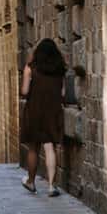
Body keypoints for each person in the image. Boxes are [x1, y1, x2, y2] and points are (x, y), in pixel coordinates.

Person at [20, 38, 66, 197]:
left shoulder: (30, 68)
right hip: (52, 110)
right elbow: (63, 93)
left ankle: (31, 182)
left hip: (34, 109)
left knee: (33, 147)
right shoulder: (60, 69)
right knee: (49, 147)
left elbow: (25, 91)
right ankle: (52, 186)